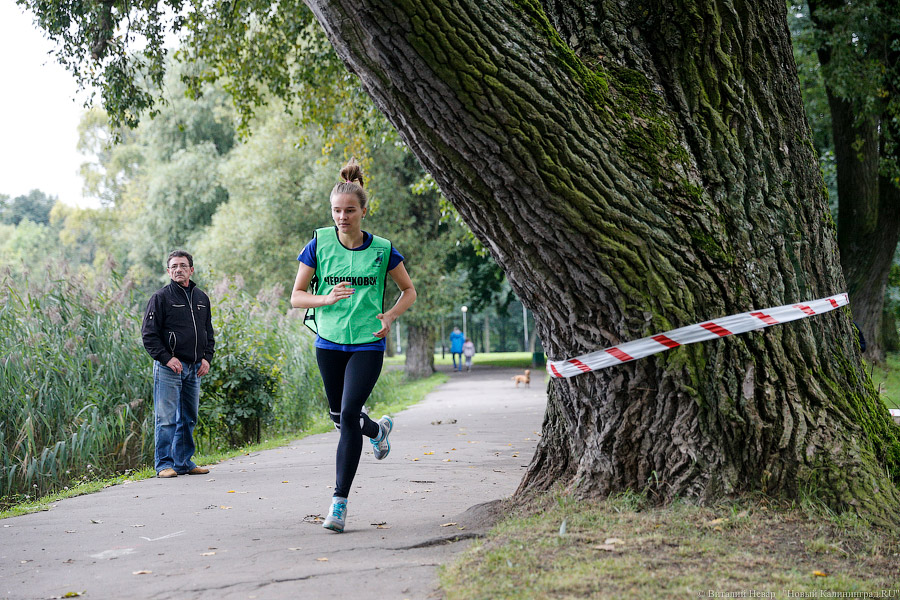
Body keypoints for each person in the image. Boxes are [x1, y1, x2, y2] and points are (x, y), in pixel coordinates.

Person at [290, 158, 417, 533]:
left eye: (349, 210)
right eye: (336, 211)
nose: (342, 217)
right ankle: (377, 432)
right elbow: (297, 297)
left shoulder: (382, 250)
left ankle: (339, 503)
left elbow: (408, 291)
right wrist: (325, 299)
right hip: (328, 342)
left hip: (367, 343)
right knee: (337, 417)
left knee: (348, 415)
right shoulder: (318, 244)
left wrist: (391, 316)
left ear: (363, 210)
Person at [141, 250, 215, 478]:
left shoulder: (201, 298)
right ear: (168, 271)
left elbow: (208, 333)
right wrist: (167, 358)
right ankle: (164, 465)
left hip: (194, 367)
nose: (178, 270)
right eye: (174, 266)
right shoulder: (161, 298)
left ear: (191, 270)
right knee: (165, 419)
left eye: (183, 266)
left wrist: (206, 358)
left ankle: (183, 462)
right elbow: (149, 335)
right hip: (169, 368)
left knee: (188, 417)